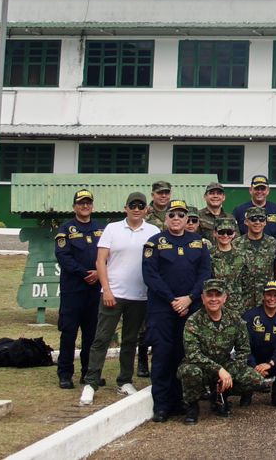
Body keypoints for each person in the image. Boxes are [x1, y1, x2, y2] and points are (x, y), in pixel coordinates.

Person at [142, 200, 212, 422]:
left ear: (187, 219)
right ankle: (162, 406)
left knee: (185, 355)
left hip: (190, 307)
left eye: (181, 215)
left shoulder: (199, 243)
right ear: (166, 218)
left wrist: (189, 298)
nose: (176, 219)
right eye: (172, 215)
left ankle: (185, 401)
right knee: (162, 355)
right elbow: (150, 276)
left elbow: (205, 273)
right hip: (163, 308)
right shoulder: (154, 243)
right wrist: (173, 300)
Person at [82, 190, 154, 402]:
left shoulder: (152, 231)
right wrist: (107, 289)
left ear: (146, 209)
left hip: (140, 296)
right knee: (102, 338)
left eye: (141, 206)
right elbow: (100, 261)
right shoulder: (112, 229)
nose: (136, 209)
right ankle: (91, 382)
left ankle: (124, 381)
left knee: (130, 340)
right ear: (126, 208)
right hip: (113, 294)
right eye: (133, 205)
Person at [175, 279, 269, 423]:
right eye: (209, 295)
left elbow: (243, 350)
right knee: (190, 372)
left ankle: (221, 397)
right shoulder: (193, 321)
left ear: (225, 298)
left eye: (217, 295)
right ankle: (192, 407)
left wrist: (230, 372)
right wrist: (219, 370)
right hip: (200, 367)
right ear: (202, 298)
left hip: (226, 365)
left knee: (256, 380)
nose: (213, 299)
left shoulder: (234, 318)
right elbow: (193, 354)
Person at [54, 189, 103, 390]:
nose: (85, 206)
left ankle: (87, 373)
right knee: (69, 333)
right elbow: (63, 257)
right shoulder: (65, 230)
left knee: (91, 334)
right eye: (81, 203)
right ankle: (65, 374)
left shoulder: (101, 229)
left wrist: (99, 273)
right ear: (74, 206)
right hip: (73, 290)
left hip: (95, 290)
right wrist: (85, 273)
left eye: (88, 202)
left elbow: (108, 254)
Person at [136, 180, 173, 376]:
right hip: (150, 270)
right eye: (160, 193)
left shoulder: (175, 213)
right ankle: (142, 361)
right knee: (145, 323)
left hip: (170, 271)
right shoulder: (145, 215)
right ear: (153, 194)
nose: (163, 196)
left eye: (166, 193)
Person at [241, 281, 276, 409]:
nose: (272, 298)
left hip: (274, 361)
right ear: (263, 296)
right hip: (254, 360)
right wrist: (254, 366)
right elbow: (243, 345)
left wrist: (271, 363)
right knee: (241, 360)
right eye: (269, 295)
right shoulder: (250, 316)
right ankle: (246, 392)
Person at [235, 206, 276, 315]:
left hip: (267, 298)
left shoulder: (272, 243)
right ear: (246, 221)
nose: (257, 222)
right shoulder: (236, 244)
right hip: (243, 298)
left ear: (265, 222)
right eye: (253, 219)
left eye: (261, 219)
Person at [207, 218, 245, 310]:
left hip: (237, 306)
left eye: (229, 232)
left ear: (234, 234)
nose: (225, 235)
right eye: (221, 232)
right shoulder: (208, 255)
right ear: (214, 233)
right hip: (215, 305)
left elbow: (246, 282)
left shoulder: (242, 255)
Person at [233, 175, 276, 240]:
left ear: (268, 190)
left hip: (272, 248)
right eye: (256, 188)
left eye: (262, 189)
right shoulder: (240, 210)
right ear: (250, 190)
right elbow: (233, 233)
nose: (259, 192)